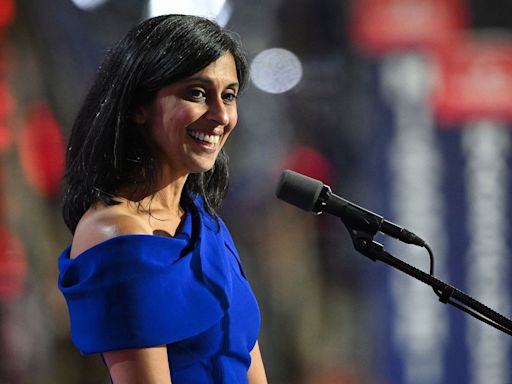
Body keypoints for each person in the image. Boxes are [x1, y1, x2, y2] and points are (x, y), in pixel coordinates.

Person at [57, 14, 267, 384]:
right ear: (139, 106)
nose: (220, 115)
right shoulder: (114, 234)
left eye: (229, 96)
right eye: (197, 94)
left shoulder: (207, 225)